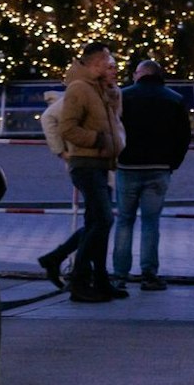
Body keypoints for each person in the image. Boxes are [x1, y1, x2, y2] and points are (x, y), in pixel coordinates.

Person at [38, 41, 126, 303]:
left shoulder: (100, 91)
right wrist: (97, 140)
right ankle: (78, 280)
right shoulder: (79, 90)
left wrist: (112, 96)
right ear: (96, 63)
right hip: (86, 163)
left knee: (97, 222)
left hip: (101, 164)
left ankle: (95, 278)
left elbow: (111, 122)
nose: (112, 69)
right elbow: (66, 127)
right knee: (102, 220)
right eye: (108, 63)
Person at [110, 60, 190, 292]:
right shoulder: (174, 99)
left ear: (140, 74)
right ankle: (149, 274)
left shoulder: (123, 97)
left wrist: (118, 158)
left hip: (127, 168)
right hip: (159, 168)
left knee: (124, 220)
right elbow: (183, 137)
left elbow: (114, 129)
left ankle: (119, 276)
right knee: (150, 223)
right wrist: (172, 163)